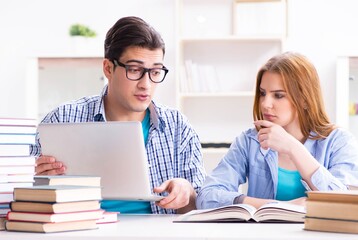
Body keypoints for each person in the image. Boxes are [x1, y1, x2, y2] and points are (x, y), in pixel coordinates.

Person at [31, 16, 206, 214]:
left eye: (155, 72)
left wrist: (187, 193)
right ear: (108, 68)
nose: (146, 84)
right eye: (134, 70)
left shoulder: (178, 127)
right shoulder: (62, 119)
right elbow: (20, 193)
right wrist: (34, 179)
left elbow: (199, 209)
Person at [196, 52, 358, 210]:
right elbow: (206, 196)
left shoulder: (339, 141)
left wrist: (294, 148)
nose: (265, 104)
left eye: (278, 95)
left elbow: (346, 204)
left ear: (305, 99)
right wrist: (278, 207)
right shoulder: (249, 141)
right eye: (262, 93)